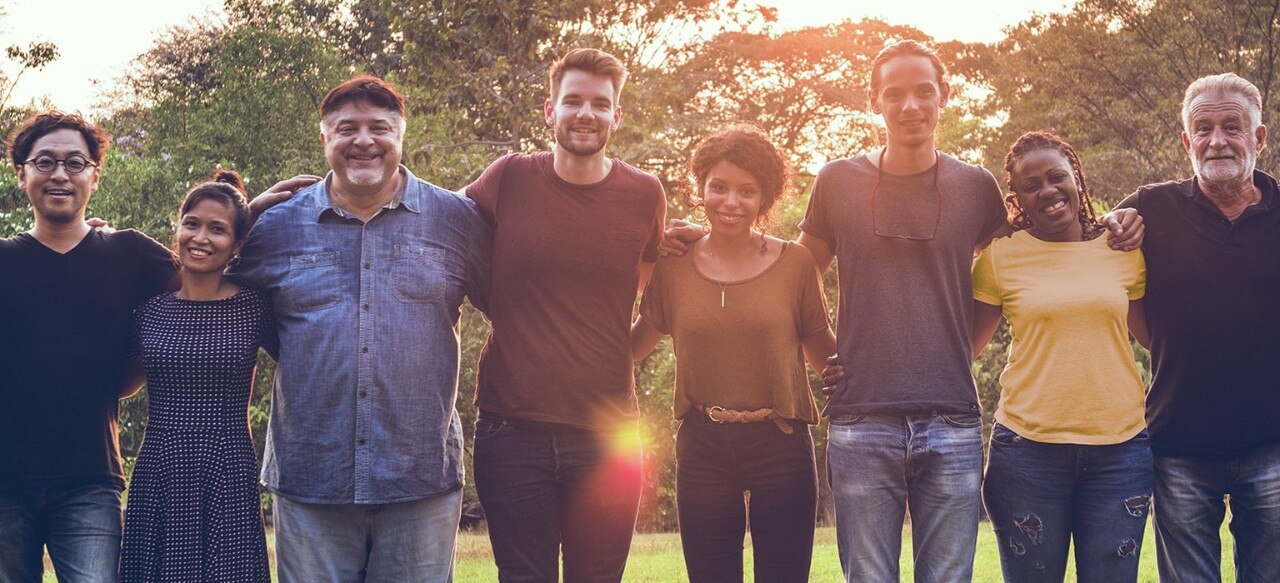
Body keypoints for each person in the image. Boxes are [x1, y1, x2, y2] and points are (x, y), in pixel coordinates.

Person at [661, 40, 1143, 581]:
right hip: (861, 419)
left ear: (945, 96)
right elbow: (789, 273)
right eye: (894, 94)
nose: (910, 105)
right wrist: (707, 240)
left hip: (953, 420)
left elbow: (1036, 250)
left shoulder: (975, 186)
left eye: (923, 91)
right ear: (875, 102)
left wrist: (1116, 222)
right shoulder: (837, 182)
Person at [226, 75, 492, 582]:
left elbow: (520, 308)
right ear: (324, 139)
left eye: (380, 128)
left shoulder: (456, 221)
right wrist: (245, 216)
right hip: (311, 478)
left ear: (401, 136)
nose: (364, 141)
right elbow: (209, 296)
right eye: (347, 128)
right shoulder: (277, 228)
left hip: (420, 478)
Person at [463, 48, 665, 581]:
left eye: (601, 104)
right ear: (549, 109)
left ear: (616, 116)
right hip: (512, 431)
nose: (586, 113)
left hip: (609, 433)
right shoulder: (509, 178)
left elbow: (646, 285)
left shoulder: (645, 194)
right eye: (573, 100)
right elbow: (434, 226)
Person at [629, 124, 836, 582]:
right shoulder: (674, 265)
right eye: (718, 187)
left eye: (747, 191)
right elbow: (634, 346)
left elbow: (827, 359)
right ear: (699, 187)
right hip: (703, 442)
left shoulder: (796, 265)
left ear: (766, 198)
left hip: (781, 442)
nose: (730, 202)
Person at [1117, 73, 1280, 582]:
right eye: (1202, 128)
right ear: (1186, 141)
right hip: (1178, 444)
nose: (1216, 140)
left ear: (1259, 137)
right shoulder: (1148, 207)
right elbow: (1111, 286)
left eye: (1232, 126)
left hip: (1272, 442)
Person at [0, 111, 176, 582]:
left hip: (90, 480)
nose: (60, 174)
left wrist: (250, 211)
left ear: (95, 175)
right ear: (22, 175)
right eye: (45, 162)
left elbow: (201, 287)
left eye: (75, 162)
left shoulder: (129, 253)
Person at [971, 131, 1151, 582]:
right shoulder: (999, 259)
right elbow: (963, 348)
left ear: (1077, 179)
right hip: (1027, 453)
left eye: (1057, 178)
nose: (1048, 191)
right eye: (1031, 186)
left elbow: (1157, 339)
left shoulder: (1122, 250)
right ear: (1018, 199)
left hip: (1121, 451)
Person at [119, 171, 275, 582]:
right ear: (178, 228)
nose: (200, 237)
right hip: (160, 468)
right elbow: (120, 385)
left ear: (237, 244)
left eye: (217, 229)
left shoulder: (254, 308)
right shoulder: (151, 311)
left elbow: (307, 361)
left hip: (227, 468)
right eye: (192, 224)